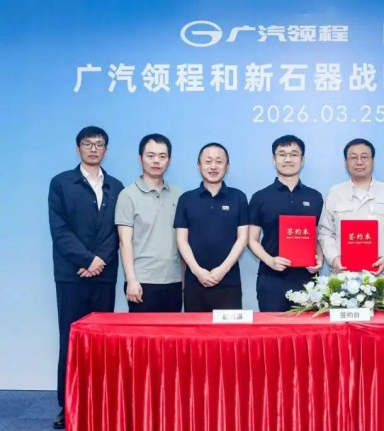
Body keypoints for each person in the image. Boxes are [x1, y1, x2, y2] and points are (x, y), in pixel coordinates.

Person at [48, 126, 123, 429]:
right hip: (71, 275)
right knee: (71, 341)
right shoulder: (61, 183)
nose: (93, 149)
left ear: (106, 150)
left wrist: (99, 260)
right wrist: (86, 259)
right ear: (77, 148)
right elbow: (59, 230)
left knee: (102, 343)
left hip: (104, 275)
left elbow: (118, 230)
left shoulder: (116, 186)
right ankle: (67, 406)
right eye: (87, 144)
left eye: (99, 144)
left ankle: (100, 403)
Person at [248, 135, 323, 311]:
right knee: (272, 328)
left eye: (294, 154)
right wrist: (270, 261)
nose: (288, 159)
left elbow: (317, 236)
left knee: (308, 328)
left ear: (302, 160)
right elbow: (251, 239)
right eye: (282, 154)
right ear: (274, 160)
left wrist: (320, 258)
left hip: (307, 279)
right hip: (271, 278)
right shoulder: (260, 197)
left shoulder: (315, 196)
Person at [173, 143, 249, 312]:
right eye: (208, 161)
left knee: (229, 329)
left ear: (227, 166)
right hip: (195, 281)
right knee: (196, 329)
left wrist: (222, 270)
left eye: (219, 161)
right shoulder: (186, 199)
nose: (213, 166)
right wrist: (197, 271)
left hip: (229, 282)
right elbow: (181, 240)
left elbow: (243, 238)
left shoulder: (238, 197)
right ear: (198, 166)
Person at [318, 138, 384, 280]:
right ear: (346, 163)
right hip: (342, 277)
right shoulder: (335, 193)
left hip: (379, 278)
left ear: (373, 161)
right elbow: (325, 232)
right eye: (353, 157)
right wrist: (334, 258)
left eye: (364, 157)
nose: (359, 162)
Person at [115, 134, 182, 312]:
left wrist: (184, 280)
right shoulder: (128, 195)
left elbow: (183, 241)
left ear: (169, 160)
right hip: (142, 282)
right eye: (150, 155)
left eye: (162, 156)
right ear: (140, 159)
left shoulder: (179, 195)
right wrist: (131, 280)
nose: (156, 161)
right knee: (143, 332)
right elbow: (124, 242)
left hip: (174, 280)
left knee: (172, 331)